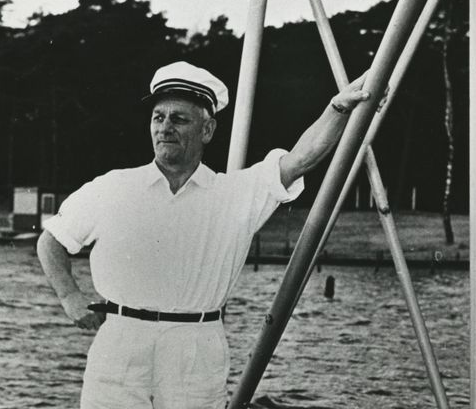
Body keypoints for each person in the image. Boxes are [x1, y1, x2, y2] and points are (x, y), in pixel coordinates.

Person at [36, 61, 371, 408]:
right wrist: (69, 296)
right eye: (158, 117)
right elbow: (51, 241)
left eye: (179, 119)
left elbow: (301, 160)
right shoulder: (113, 187)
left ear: (207, 129)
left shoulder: (234, 193)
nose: (165, 127)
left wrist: (337, 108)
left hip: (195, 348)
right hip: (120, 341)